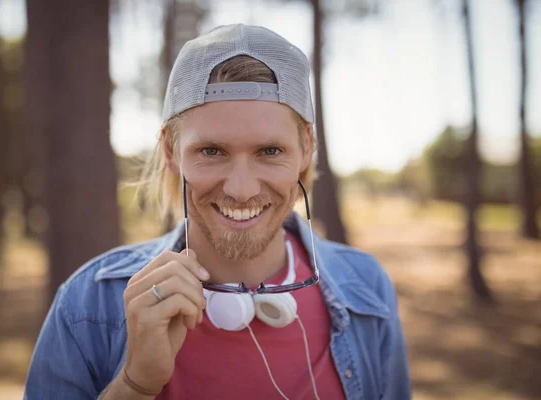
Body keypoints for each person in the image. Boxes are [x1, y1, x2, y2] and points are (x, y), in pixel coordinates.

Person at [24, 24, 411, 400]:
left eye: (270, 151)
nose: (241, 190)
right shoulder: (86, 306)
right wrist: (136, 385)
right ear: (172, 151)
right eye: (211, 151)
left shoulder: (367, 287)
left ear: (306, 147)